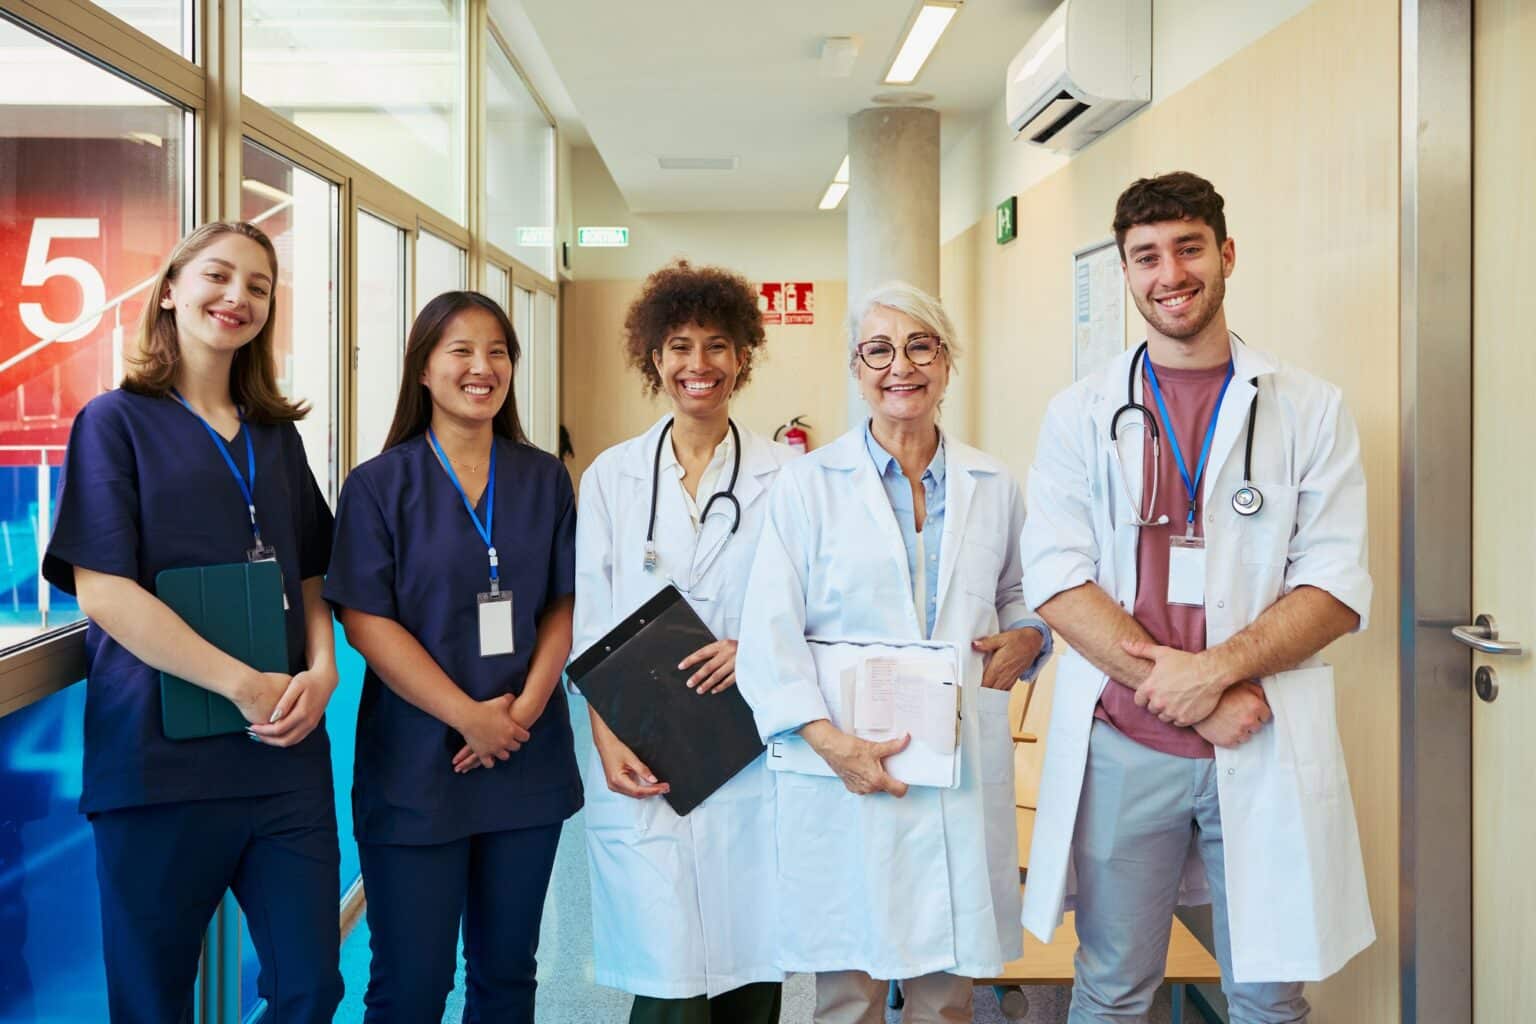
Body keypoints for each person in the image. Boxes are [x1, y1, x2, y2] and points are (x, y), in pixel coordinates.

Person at [1020, 172, 1375, 1023]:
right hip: (1123, 741)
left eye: (1187, 249)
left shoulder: (1309, 409)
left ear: (1226, 254)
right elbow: (1059, 583)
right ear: (1126, 272)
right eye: (1145, 256)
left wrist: (1211, 676)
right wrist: (1190, 698)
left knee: (1267, 989)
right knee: (1112, 986)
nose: (1168, 273)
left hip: (1259, 731)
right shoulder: (1079, 414)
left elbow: (1332, 586)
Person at [42, 221, 343, 1022]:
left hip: (282, 763)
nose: (236, 297)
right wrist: (243, 684)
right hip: (158, 767)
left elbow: (308, 570)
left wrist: (324, 668)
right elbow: (103, 589)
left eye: (258, 286)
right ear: (171, 290)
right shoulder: (113, 424)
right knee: (152, 1002)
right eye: (217, 276)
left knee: (312, 987)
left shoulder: (277, 438)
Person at [736, 281, 1052, 1024]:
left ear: (947, 363)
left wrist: (1030, 634)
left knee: (947, 992)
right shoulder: (808, 485)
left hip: (954, 767)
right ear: (856, 367)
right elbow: (769, 632)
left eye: (919, 346)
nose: (899, 366)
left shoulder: (993, 483)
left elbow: (1022, 596)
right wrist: (830, 744)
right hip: (847, 761)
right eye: (878, 349)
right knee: (848, 992)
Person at [324, 291, 580, 1022]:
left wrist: (521, 710)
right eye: (461, 351)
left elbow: (562, 603)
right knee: (411, 983)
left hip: (524, 756)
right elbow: (366, 620)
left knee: (507, 978)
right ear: (424, 370)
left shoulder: (542, 478)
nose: (482, 367)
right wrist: (469, 717)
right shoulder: (379, 485)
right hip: (416, 764)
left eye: (497, 351)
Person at [572, 260, 794, 1024]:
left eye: (716, 346)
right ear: (652, 359)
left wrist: (753, 649)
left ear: (743, 358)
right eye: (678, 346)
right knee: (668, 981)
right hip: (647, 742)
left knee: (751, 960)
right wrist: (605, 739)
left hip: (750, 743)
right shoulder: (611, 477)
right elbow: (592, 623)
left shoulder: (786, 476)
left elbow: (808, 610)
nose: (697, 365)